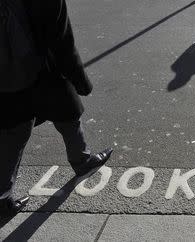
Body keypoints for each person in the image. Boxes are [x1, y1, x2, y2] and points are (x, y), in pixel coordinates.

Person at [0, 0, 113, 218]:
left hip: (6, 81)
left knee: (13, 134)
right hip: (44, 71)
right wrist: (81, 82)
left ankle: (3, 198)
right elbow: (62, 43)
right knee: (68, 115)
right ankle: (81, 160)